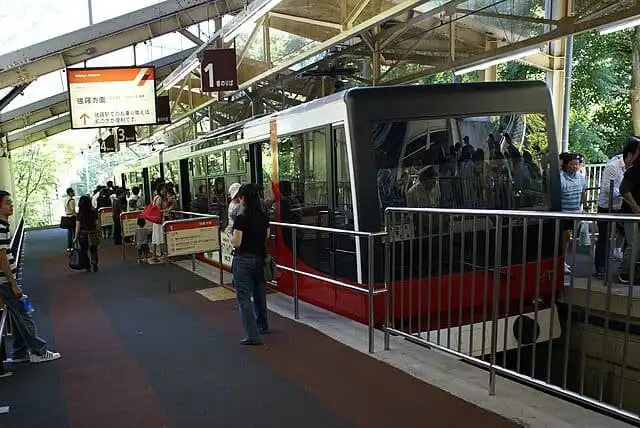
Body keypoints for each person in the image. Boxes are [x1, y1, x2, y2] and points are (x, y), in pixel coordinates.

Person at [0, 190, 61, 363]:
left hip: (7, 279)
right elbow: (1, 257)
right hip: (5, 280)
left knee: (17, 314)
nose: (11, 205)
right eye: (7, 202)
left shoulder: (3, 225)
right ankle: (38, 351)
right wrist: (12, 283)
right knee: (23, 314)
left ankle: (19, 352)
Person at [231, 183, 270, 345]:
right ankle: (262, 325)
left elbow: (236, 242)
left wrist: (229, 236)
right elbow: (266, 236)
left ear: (243, 198)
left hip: (243, 260)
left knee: (244, 298)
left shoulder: (241, 218)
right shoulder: (263, 216)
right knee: (260, 294)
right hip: (259, 259)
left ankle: (253, 335)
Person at [595, 139, 639, 276]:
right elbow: (607, 188)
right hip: (606, 207)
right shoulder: (613, 166)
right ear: (630, 154)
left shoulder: (631, 168)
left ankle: (625, 263)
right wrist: (624, 194)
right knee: (604, 237)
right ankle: (600, 266)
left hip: (620, 207)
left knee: (628, 236)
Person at [560, 153, 588, 274]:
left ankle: (562, 260)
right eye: (571, 164)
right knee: (565, 237)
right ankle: (561, 261)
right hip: (563, 213)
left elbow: (583, 192)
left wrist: (585, 206)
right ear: (565, 165)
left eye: (576, 164)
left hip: (575, 212)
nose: (574, 166)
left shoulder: (581, 177)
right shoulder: (560, 178)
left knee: (568, 238)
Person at [74, 195, 100, 272]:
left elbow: (77, 227)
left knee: (84, 250)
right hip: (92, 232)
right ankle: (94, 261)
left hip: (83, 234)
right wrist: (98, 233)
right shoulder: (94, 212)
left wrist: (75, 238)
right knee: (94, 249)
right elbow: (97, 224)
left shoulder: (79, 214)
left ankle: (87, 266)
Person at [150, 183, 167, 263]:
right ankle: (164, 255)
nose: (164, 191)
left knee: (155, 238)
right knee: (161, 237)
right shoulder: (159, 198)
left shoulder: (155, 197)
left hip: (155, 220)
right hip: (159, 220)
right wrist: (167, 210)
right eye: (163, 189)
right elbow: (158, 210)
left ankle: (154, 255)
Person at [64, 187, 76, 252]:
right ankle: (73, 246)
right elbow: (73, 210)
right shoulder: (72, 200)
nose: (74, 192)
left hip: (67, 216)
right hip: (72, 217)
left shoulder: (66, 200)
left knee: (69, 232)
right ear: (70, 193)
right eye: (73, 191)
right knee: (74, 232)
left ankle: (69, 246)